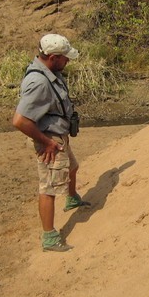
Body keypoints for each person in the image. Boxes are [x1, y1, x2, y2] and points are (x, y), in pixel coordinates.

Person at [12, 33, 90, 252]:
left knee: (72, 167)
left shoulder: (50, 71)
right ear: (53, 57)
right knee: (49, 188)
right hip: (50, 139)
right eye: (65, 58)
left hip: (58, 135)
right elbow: (19, 121)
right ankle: (49, 237)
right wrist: (46, 143)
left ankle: (72, 198)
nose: (68, 62)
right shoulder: (39, 82)